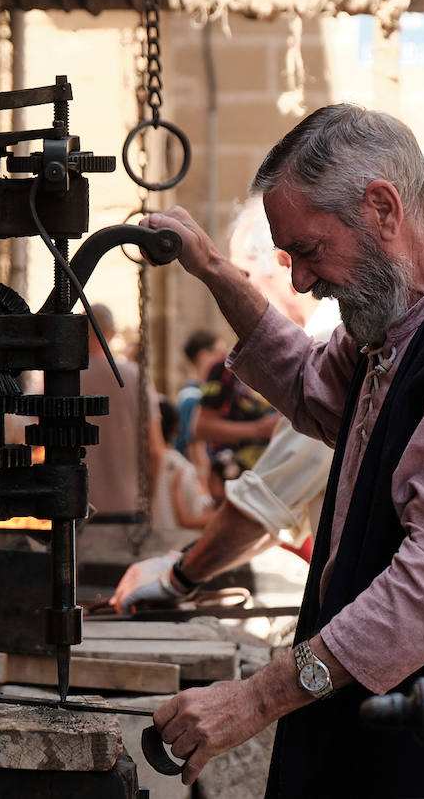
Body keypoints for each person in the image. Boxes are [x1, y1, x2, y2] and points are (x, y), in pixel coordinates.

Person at [140, 104, 424, 795]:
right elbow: (310, 387)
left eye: (310, 252)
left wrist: (258, 698)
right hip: (383, 738)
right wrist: (211, 270)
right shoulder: (397, 325)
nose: (300, 283)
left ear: (383, 208)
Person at [111, 198, 338, 610]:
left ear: (285, 262)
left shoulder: (330, 345)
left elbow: (267, 502)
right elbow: (274, 503)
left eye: (246, 275)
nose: (244, 291)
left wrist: (177, 577)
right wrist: (184, 563)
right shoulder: (322, 345)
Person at [82, 303, 159, 520]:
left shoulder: (66, 382)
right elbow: (155, 449)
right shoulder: (135, 377)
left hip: (80, 506)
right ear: (112, 333)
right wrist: (149, 503)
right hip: (129, 503)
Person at [149, 398, 215, 531]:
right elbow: (194, 514)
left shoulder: (137, 463)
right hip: (176, 543)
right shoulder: (184, 468)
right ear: (175, 429)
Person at [174, 330, 223, 461]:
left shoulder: (201, 392)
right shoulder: (191, 398)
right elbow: (195, 449)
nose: (223, 357)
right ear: (203, 355)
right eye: (218, 351)